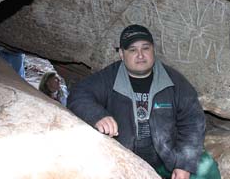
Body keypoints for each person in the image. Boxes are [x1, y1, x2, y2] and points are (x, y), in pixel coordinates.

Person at [67, 24, 221, 179]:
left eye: (145, 48)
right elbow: (78, 94)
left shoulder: (174, 81)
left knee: (206, 169)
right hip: (124, 157)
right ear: (121, 53)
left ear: (153, 50)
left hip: (165, 158)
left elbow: (193, 120)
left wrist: (183, 164)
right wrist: (97, 115)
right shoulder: (109, 78)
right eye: (133, 50)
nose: (140, 55)